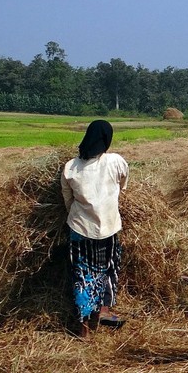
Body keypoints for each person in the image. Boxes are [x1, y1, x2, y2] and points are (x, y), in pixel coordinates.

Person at [61, 120, 129, 338]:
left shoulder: (71, 167)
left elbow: (67, 200)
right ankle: (104, 310)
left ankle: (84, 330)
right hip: (109, 228)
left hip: (80, 230)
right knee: (109, 269)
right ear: (106, 139)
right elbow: (123, 185)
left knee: (83, 276)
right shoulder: (115, 161)